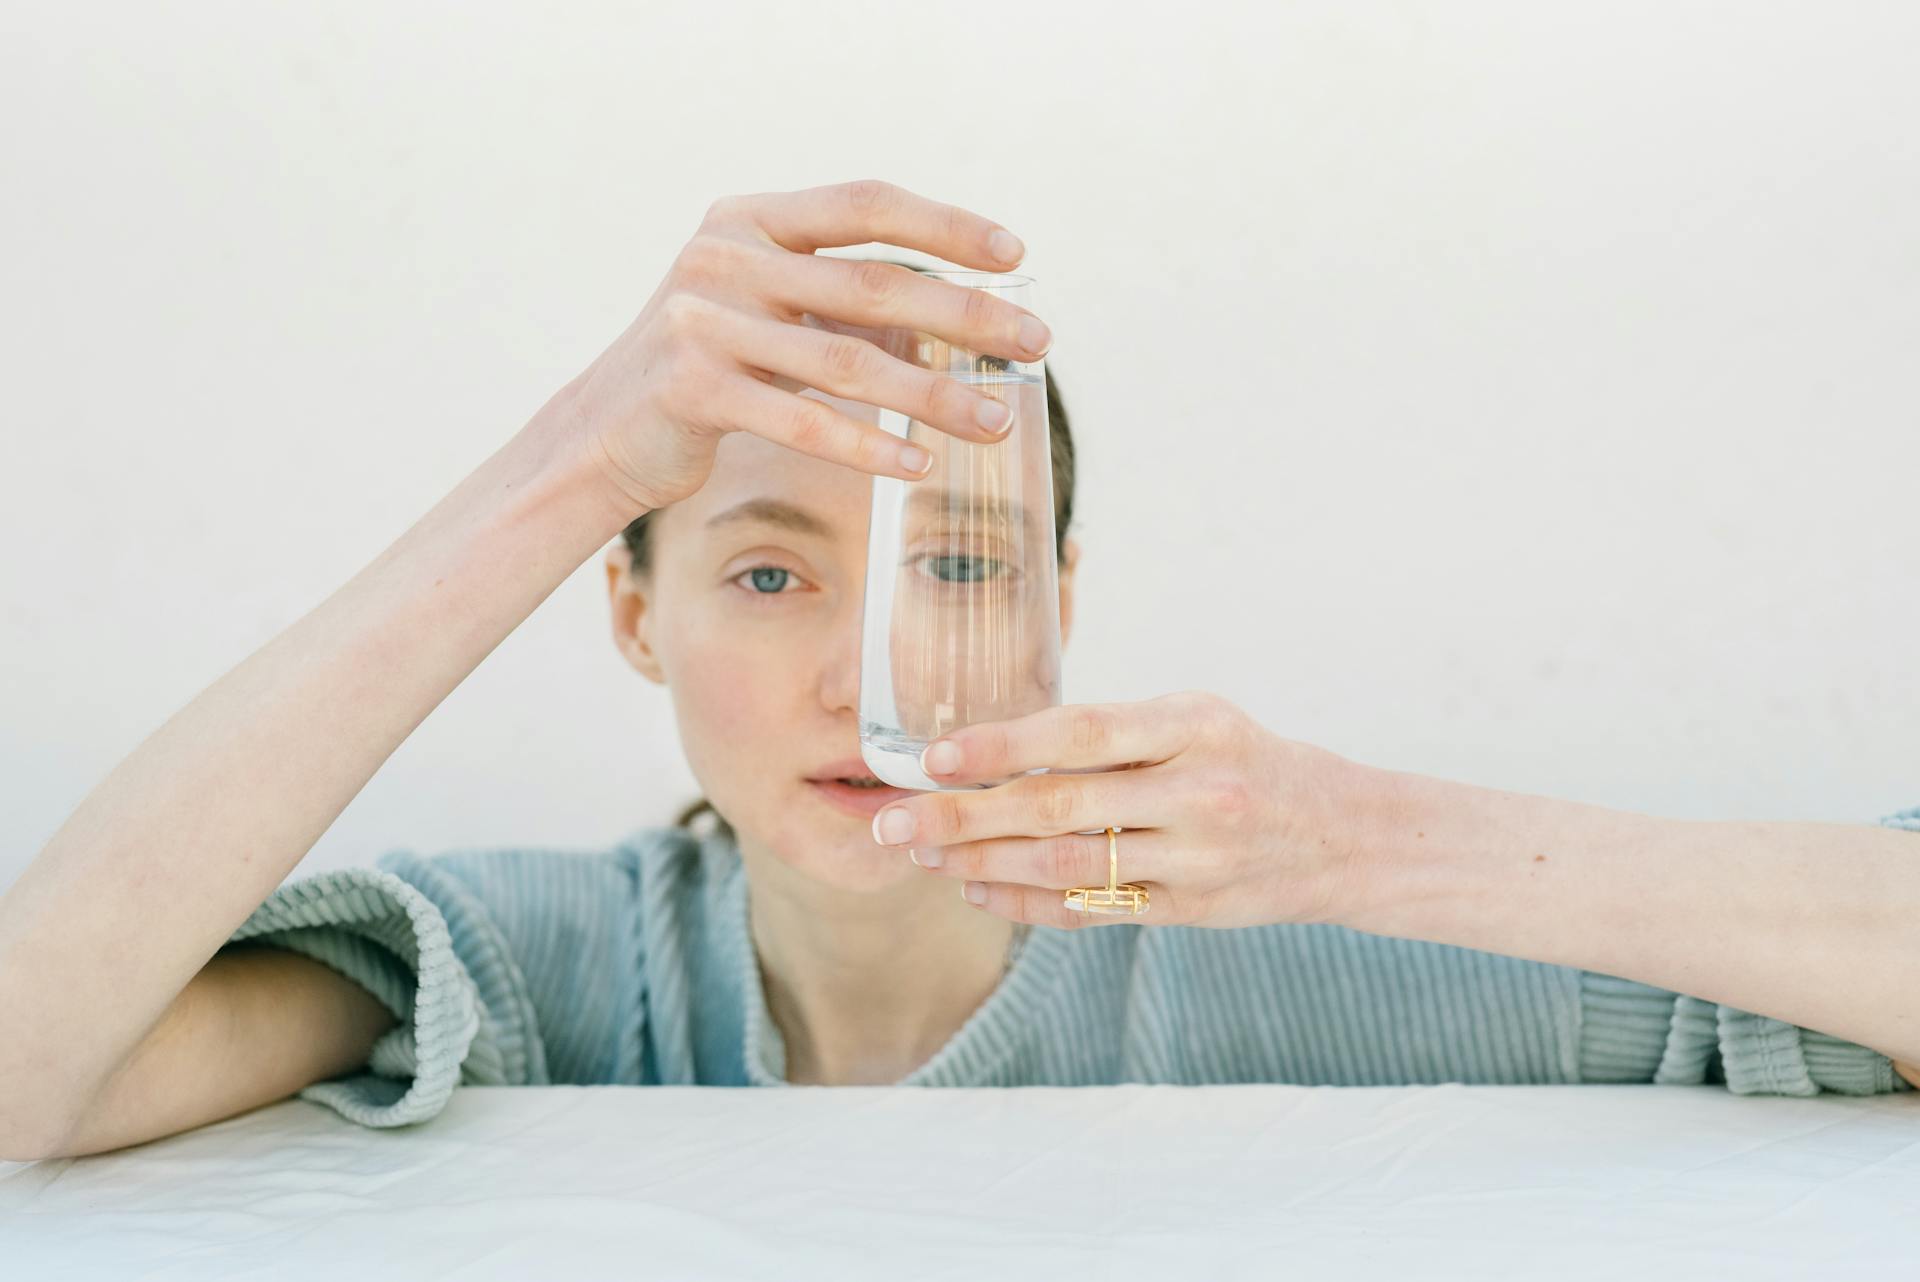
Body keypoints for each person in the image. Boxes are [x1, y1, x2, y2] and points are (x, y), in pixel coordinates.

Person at [3, 179, 1916, 1162]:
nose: (868, 672)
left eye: (964, 563)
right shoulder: (543, 970)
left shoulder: (1277, 965)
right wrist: (580, 450)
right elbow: (28, 1073)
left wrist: (1361, 839)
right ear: (631, 607)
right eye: (767, 570)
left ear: (1060, 599)